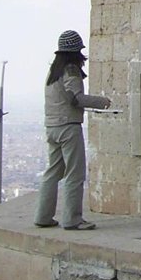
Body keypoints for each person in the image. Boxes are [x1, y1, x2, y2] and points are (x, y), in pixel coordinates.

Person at [34, 29, 111, 230]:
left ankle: (43, 216)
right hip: (68, 127)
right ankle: (72, 219)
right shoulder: (71, 70)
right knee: (75, 174)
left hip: (51, 126)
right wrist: (103, 102)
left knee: (53, 172)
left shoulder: (53, 71)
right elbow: (76, 99)